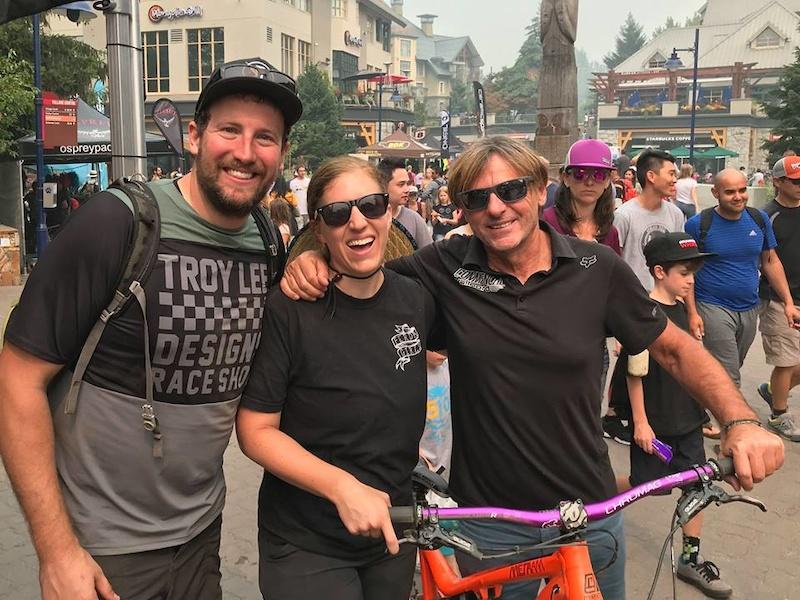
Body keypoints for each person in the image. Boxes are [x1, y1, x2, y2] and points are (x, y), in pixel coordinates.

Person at [280, 136, 784, 600]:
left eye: (511, 190)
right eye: (478, 198)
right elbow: (363, 273)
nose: (496, 207)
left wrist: (740, 421)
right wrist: (313, 261)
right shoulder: (444, 265)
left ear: (542, 190)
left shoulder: (596, 268)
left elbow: (673, 349)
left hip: (590, 516)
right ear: (463, 209)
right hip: (491, 523)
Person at [0, 56, 302, 600]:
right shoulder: (117, 221)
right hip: (102, 549)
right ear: (194, 136)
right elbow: (17, 379)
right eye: (229, 130)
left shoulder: (266, 242)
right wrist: (56, 551)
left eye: (265, 137)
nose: (245, 151)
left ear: (281, 154)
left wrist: (313, 261)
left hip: (200, 535)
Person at [237, 156, 432, 599]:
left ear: (389, 211)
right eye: (338, 213)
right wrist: (341, 487)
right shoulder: (289, 309)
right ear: (320, 229)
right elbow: (255, 431)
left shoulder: (417, 299)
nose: (358, 222)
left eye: (371, 205)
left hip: (393, 530)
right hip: (308, 541)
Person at [612, 232, 733, 598]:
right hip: (655, 421)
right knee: (644, 484)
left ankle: (690, 559)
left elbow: (696, 370)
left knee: (697, 485)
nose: (691, 280)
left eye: (693, 272)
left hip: (687, 419)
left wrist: (708, 412)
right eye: (684, 272)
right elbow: (634, 373)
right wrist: (641, 422)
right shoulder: (643, 314)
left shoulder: (684, 311)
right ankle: (590, 499)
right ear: (660, 272)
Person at [684, 168, 799, 392]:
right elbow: (687, 270)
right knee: (729, 374)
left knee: (732, 364)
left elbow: (770, 261)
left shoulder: (758, 219)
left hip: (749, 307)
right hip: (712, 306)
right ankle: (732, 414)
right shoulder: (698, 224)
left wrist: (787, 302)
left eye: (742, 190)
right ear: (716, 193)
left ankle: (703, 404)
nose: (738, 197)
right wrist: (692, 312)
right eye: (730, 192)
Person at [755, 156, 800, 441]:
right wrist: (786, 301)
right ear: (778, 182)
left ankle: (773, 391)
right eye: (795, 181)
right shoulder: (767, 216)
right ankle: (779, 415)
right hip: (779, 300)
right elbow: (766, 261)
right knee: (785, 361)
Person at [379, 158, 433, 248]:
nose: (407, 189)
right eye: (401, 184)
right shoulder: (366, 218)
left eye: (407, 184)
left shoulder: (414, 220)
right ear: (383, 185)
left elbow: (429, 253)